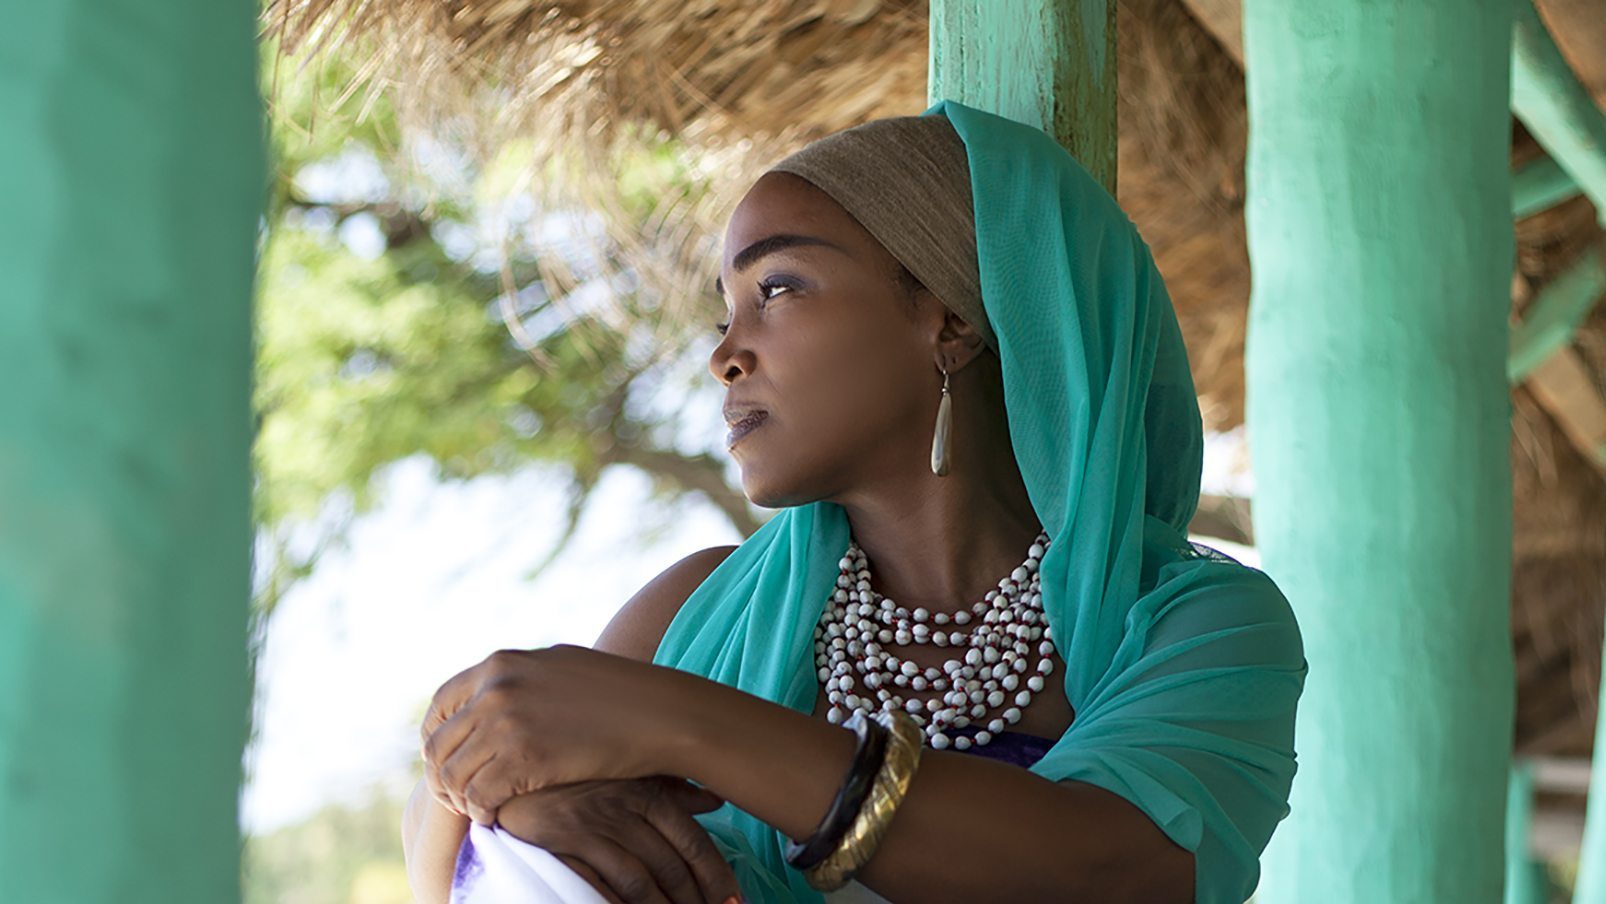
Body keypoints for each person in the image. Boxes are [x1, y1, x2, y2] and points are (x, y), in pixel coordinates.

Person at [401, 98, 1308, 904]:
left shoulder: (1201, 625)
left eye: (778, 289)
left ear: (948, 319)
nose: (725, 356)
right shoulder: (694, 613)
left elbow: (1098, 869)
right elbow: (456, 831)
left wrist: (670, 725)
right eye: (725, 313)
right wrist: (510, 795)